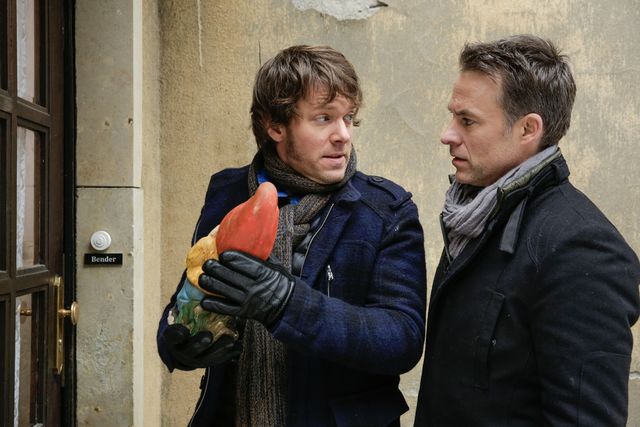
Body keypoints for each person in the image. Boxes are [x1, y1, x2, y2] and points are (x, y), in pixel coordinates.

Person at [157, 45, 427, 427]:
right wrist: (178, 342)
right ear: (275, 126)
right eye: (323, 118)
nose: (343, 135)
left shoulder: (385, 209)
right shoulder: (228, 192)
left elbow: (401, 339)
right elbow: (193, 291)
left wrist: (287, 304)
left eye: (349, 118)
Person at [414, 34, 640, 426]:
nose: (447, 134)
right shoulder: (476, 215)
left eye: (467, 121)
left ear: (528, 129)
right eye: (453, 117)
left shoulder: (581, 250)